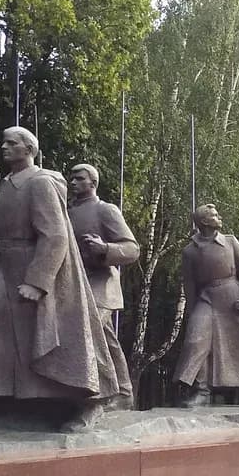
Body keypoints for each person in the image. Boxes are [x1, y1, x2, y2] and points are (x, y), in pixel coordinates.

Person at [0, 127, 118, 434]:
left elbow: (56, 235)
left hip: (36, 269)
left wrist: (38, 281)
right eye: (4, 142)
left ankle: (90, 404)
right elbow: (3, 233)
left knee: (63, 342)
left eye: (12, 143)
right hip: (4, 269)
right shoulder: (7, 184)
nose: (4, 147)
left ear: (29, 149)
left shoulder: (41, 182)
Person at [174, 204, 239, 408]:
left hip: (232, 298)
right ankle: (201, 390)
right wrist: (192, 310)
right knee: (195, 340)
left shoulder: (230, 242)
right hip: (207, 299)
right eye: (214, 215)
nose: (219, 217)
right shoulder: (189, 251)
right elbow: (189, 283)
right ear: (203, 221)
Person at [67, 163, 139, 410]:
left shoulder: (105, 210)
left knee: (89, 330)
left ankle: (100, 396)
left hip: (101, 282)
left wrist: (105, 248)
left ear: (93, 183)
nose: (73, 183)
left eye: (79, 179)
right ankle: (124, 392)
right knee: (105, 337)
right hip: (74, 282)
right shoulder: (66, 212)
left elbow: (132, 249)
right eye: (71, 179)